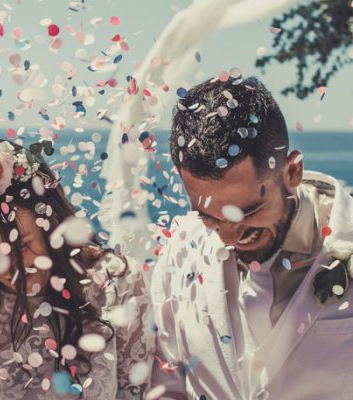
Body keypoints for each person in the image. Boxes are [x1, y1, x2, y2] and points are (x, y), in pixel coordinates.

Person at [0, 139, 154, 399]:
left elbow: (135, 392)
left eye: (22, 245)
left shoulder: (116, 283)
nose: (11, 269)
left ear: (52, 224)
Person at [150, 76, 353, 399]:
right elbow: (167, 384)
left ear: (292, 172)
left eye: (247, 211)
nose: (229, 236)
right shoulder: (177, 253)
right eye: (208, 216)